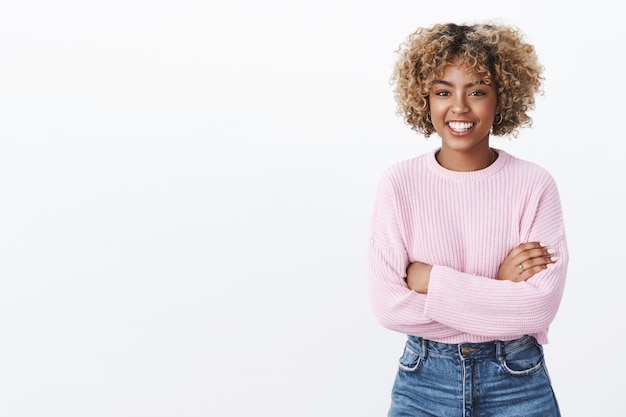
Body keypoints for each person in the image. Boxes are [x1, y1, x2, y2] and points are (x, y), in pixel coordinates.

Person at [367, 22, 568, 416]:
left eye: (477, 91)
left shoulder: (534, 185)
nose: (459, 107)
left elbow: (538, 308)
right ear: (424, 98)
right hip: (423, 381)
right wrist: (498, 289)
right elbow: (389, 307)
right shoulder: (399, 184)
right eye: (443, 91)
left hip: (517, 382)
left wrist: (430, 281)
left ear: (501, 98)